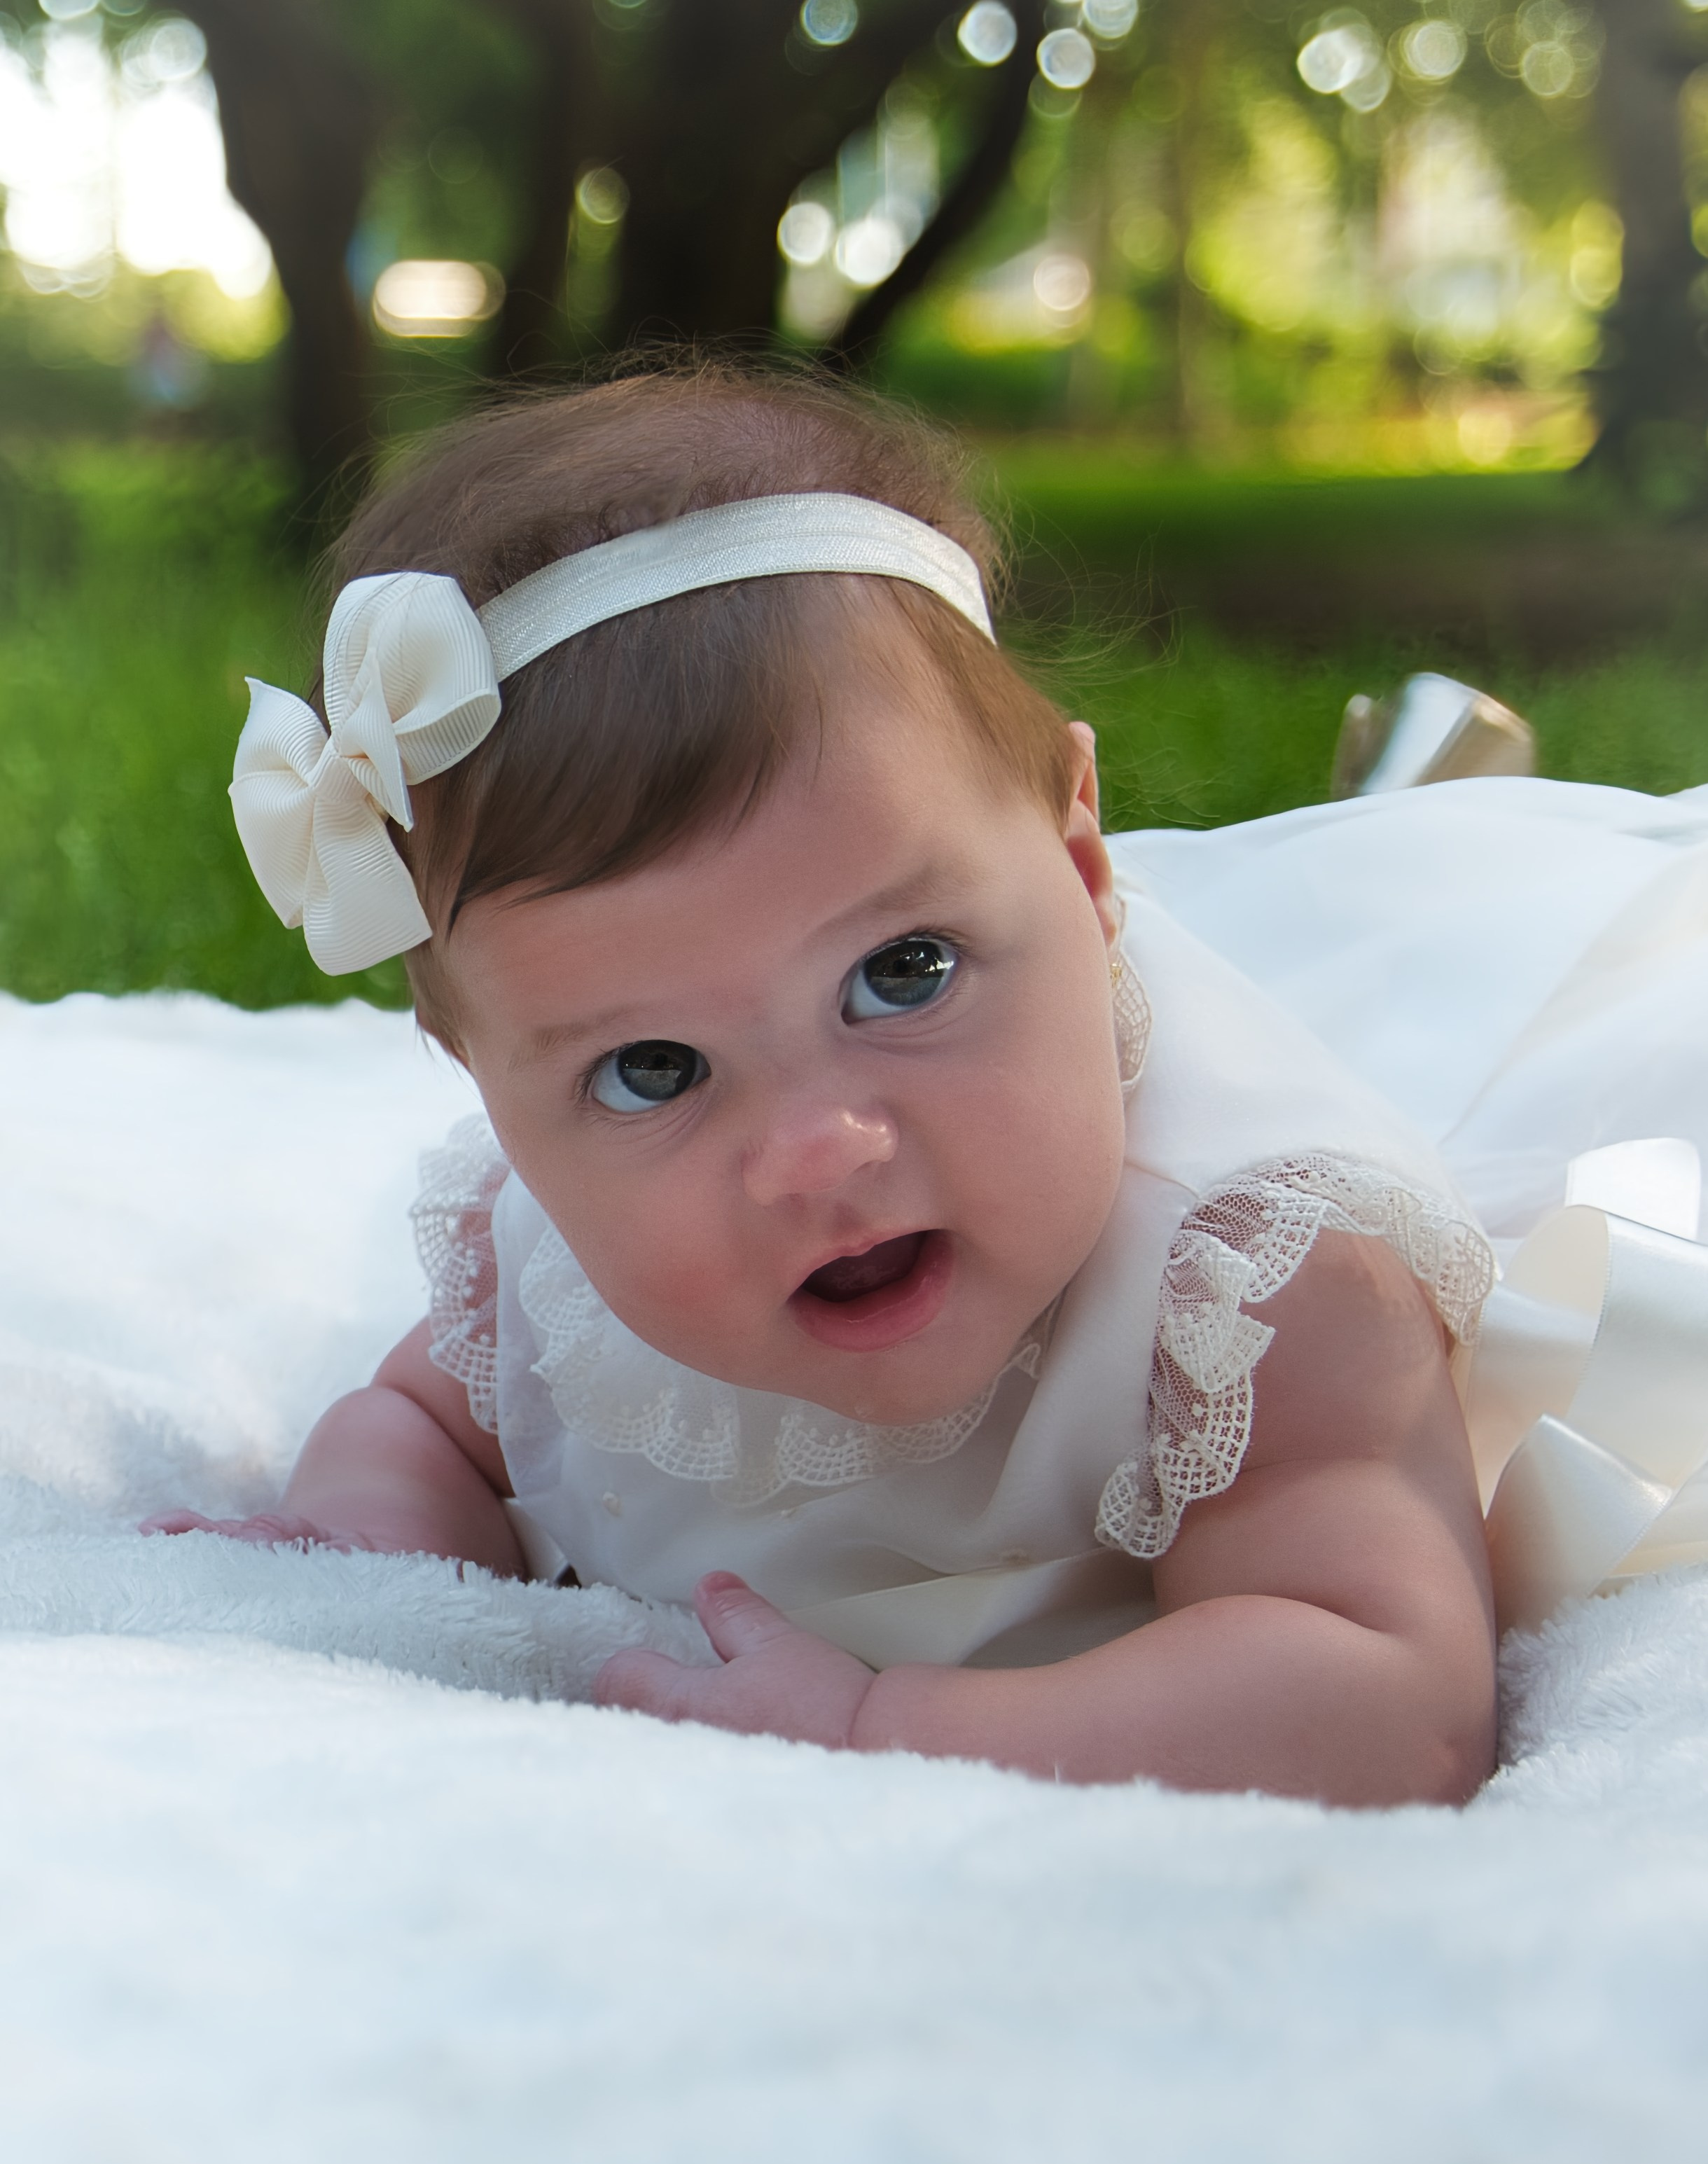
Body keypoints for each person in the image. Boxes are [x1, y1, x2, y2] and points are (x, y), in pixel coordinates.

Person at [144, 366, 1708, 1804]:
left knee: (1442, 974)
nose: (818, 1147)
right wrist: (368, 1538)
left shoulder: (1262, 1273)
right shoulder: (548, 1263)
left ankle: (1421, 790)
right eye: (654, 1068)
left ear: (1082, 858)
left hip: (1283, 1099)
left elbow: (1385, 1702)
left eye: (901, 973)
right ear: (480, 1080)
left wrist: (886, 1734)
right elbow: (423, 1415)